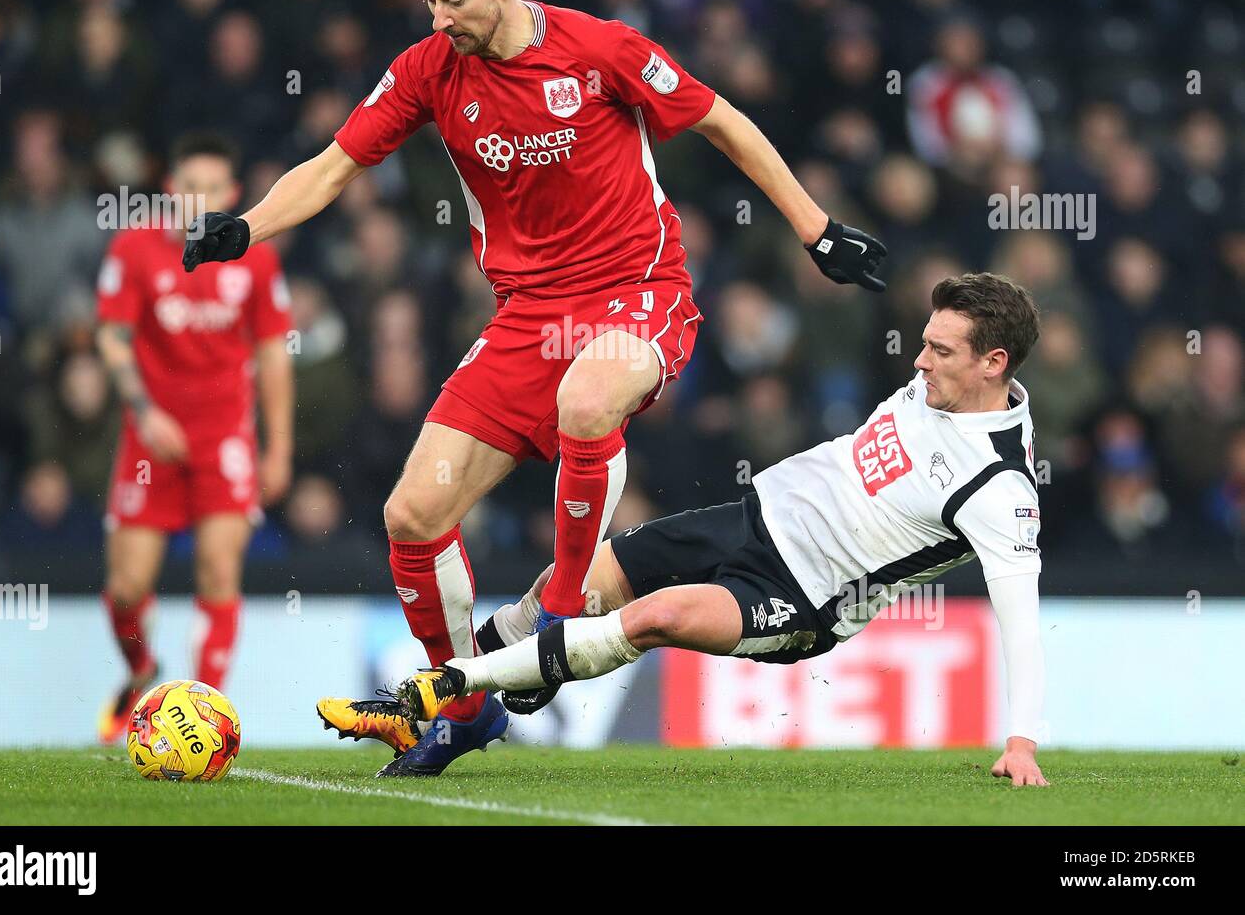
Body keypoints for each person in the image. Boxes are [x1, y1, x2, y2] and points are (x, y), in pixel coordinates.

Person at [183, 0, 886, 777]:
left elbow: (722, 119)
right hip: (527, 317)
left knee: (588, 400)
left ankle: (556, 617)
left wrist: (819, 231)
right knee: (411, 515)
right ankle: (465, 704)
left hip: (639, 292)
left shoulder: (600, 49)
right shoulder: (427, 70)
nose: (438, 18)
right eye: (428, 0)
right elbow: (334, 166)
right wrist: (244, 228)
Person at [391, 273, 1051, 786]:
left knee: (657, 616)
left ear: (993, 363)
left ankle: (452, 689)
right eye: (924, 342)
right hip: (751, 518)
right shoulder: (942, 387)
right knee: (574, 583)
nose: (918, 362)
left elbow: (1019, 621)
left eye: (939, 349)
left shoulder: (999, 488)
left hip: (804, 595)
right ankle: (455, 707)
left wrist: (1020, 740)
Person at [95, 132, 294, 743]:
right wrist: (146, 410)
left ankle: (204, 716)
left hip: (224, 439)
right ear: (171, 190)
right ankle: (143, 671)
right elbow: (110, 336)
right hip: (151, 440)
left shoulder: (255, 257)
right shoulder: (134, 249)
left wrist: (279, 446)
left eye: (214, 189)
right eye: (191, 188)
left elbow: (273, 354)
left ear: (233, 195)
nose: (200, 198)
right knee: (126, 590)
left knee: (217, 567)